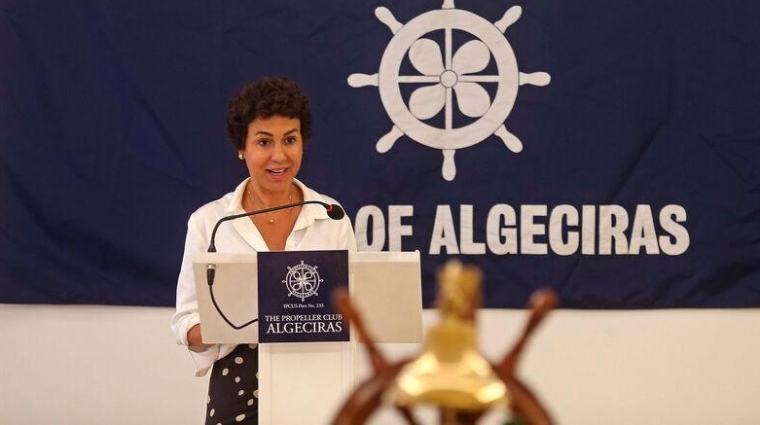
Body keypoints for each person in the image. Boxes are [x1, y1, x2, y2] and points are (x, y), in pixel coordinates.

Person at [171, 77, 358, 424]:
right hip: (239, 383)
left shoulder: (331, 216)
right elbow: (187, 325)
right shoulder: (210, 223)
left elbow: (353, 313)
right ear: (241, 147)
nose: (279, 155)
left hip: (318, 379)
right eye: (263, 141)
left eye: (290, 139)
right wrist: (256, 321)